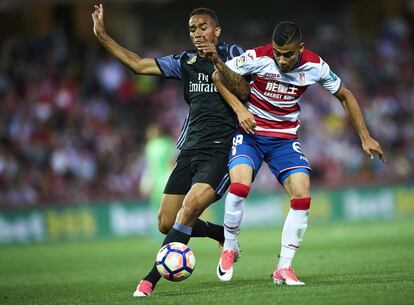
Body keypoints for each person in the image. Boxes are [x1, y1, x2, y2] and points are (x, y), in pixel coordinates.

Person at [197, 21, 385, 284]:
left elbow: (345, 95)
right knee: (239, 185)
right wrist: (241, 110)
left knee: (302, 192)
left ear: (301, 49)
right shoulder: (258, 57)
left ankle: (283, 268)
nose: (282, 60)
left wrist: (365, 137)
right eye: (278, 53)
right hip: (251, 134)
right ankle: (229, 246)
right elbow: (219, 76)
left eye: (288, 54)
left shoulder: (315, 66)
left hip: (284, 139)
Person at [92, 4, 249, 297]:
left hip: (220, 151)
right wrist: (104, 37)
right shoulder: (185, 61)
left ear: (217, 31)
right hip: (189, 149)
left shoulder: (236, 55)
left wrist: (217, 61)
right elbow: (138, 65)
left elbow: (243, 91)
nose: (198, 34)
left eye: (203, 28)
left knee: (187, 211)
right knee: (166, 223)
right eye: (192, 29)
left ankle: (149, 279)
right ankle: (221, 233)